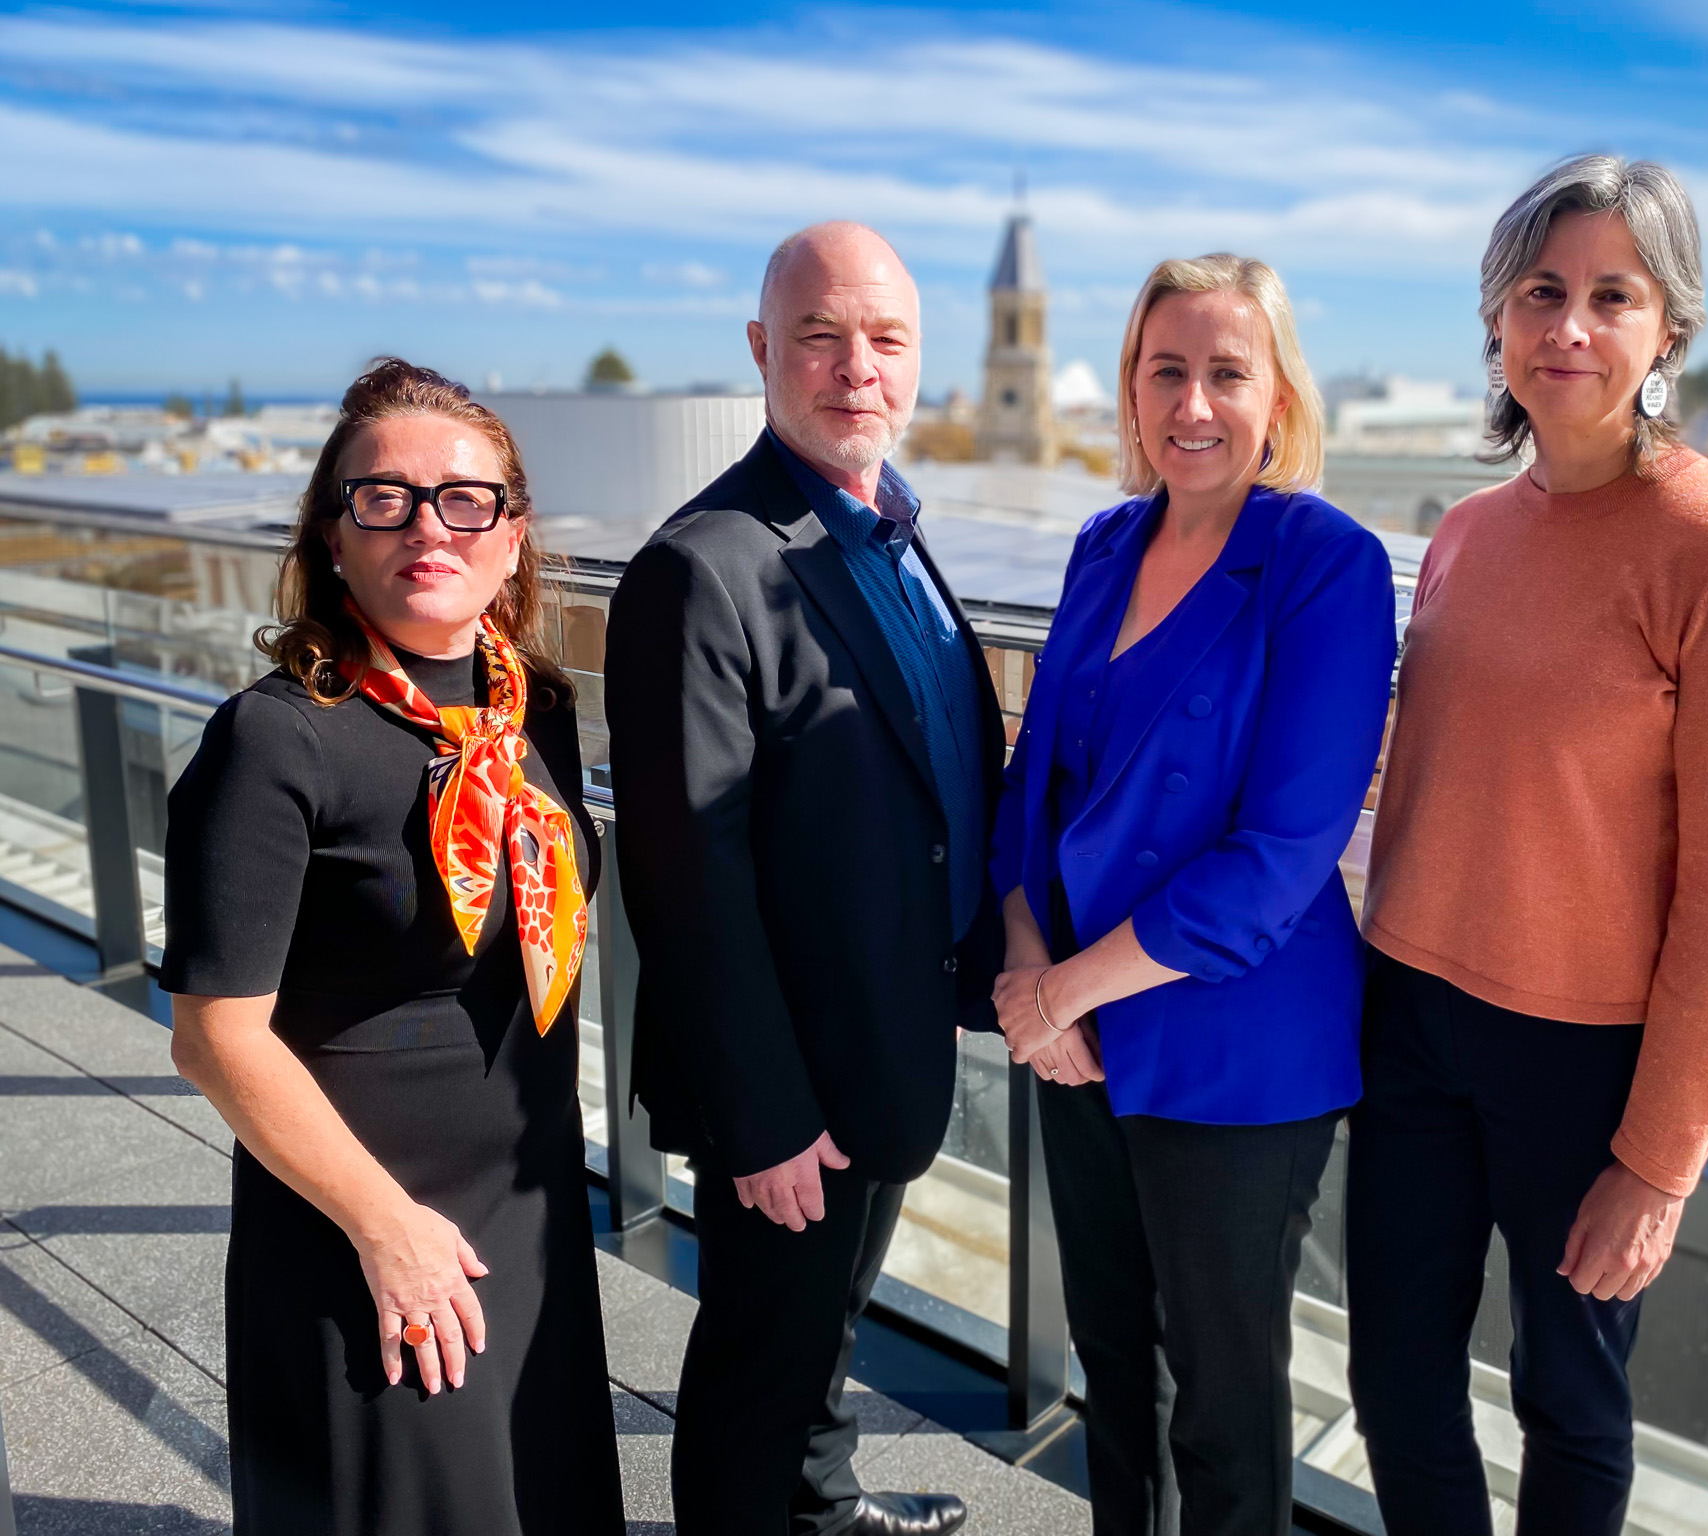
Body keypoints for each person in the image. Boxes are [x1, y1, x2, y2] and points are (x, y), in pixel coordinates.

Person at [1348, 155, 1708, 1536]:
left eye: (1614, 295)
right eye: (1540, 291)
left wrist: (1662, 1164)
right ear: (1495, 319)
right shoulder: (1467, 534)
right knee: (1397, 1377)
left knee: (1568, 1400)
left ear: (1670, 330)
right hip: (1411, 1016)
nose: (1569, 327)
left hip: (1587, 1061)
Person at [163, 359, 623, 1535]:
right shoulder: (276, 743)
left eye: (467, 499)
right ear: (332, 533)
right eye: (385, 497)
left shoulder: (536, 716)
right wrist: (385, 1228)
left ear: (514, 538)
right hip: (360, 1225)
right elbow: (216, 1038)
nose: (429, 525)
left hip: (522, 1207)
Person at [604, 223, 1003, 1536]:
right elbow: (685, 874)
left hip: (886, 1041)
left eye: (885, 340)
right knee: (757, 1370)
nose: (855, 370)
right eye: (821, 337)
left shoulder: (887, 531)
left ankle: (821, 1515)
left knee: (824, 1337)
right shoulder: (700, 566)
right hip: (791, 1084)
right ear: (763, 350)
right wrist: (764, 1114)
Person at [990, 254, 1397, 1536]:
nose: (1194, 403)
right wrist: (1025, 967)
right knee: (1112, 1368)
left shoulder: (1324, 563)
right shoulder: (1104, 544)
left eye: (1228, 371)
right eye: (1165, 370)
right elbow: (1036, 784)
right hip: (1075, 1039)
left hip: (1235, 1048)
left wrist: (1056, 991)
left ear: (1277, 395)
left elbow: (1274, 863)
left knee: (1220, 1407)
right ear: (1128, 389)